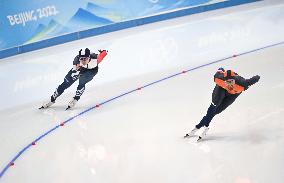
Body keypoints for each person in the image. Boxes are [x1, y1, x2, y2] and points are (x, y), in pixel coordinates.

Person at [184, 68, 260, 141]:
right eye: (227, 82)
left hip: (232, 96)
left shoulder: (243, 84)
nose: (229, 85)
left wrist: (257, 76)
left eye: (231, 82)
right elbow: (220, 69)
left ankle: (198, 126)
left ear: (235, 80)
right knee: (214, 104)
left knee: (216, 111)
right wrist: (222, 70)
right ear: (224, 79)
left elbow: (256, 78)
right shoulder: (218, 78)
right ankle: (203, 127)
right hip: (221, 89)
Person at [39, 48, 107, 110]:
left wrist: (103, 51)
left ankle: (75, 99)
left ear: (89, 57)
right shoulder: (76, 61)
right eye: (81, 59)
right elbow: (75, 70)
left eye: (85, 59)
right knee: (66, 83)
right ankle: (52, 99)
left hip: (92, 70)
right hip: (81, 68)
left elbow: (104, 52)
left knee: (82, 81)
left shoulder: (96, 59)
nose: (83, 61)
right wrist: (77, 70)